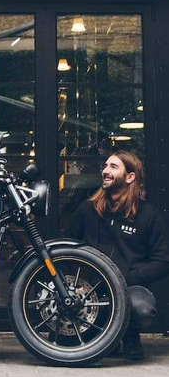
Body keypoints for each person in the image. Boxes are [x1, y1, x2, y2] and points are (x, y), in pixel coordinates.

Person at [66, 150, 169, 360]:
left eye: (113, 167)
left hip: (129, 287)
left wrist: (122, 279)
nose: (105, 171)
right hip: (89, 291)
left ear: (130, 177)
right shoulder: (87, 210)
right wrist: (77, 282)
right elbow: (66, 248)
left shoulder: (149, 214)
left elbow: (162, 261)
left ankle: (130, 335)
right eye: (105, 166)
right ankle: (101, 334)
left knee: (141, 308)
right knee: (66, 341)